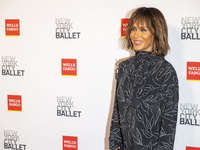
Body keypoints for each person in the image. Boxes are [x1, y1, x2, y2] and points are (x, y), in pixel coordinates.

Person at [109, 7, 179, 150]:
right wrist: (114, 145)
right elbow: (116, 113)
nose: (136, 35)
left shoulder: (166, 72)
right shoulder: (123, 67)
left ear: (157, 33)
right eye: (133, 29)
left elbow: (168, 125)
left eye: (143, 30)